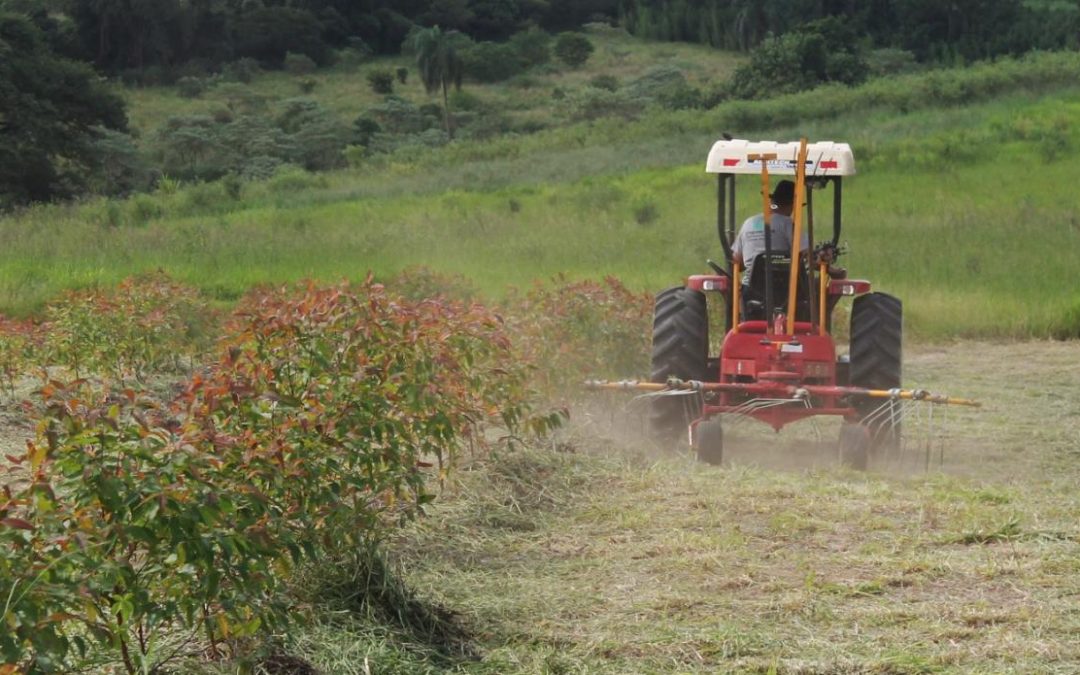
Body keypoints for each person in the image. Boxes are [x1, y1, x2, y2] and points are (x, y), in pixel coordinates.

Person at [731, 179, 809, 288]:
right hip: (783, 289)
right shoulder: (788, 224)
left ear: (772, 201)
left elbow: (737, 261)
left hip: (750, 290)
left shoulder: (749, 223)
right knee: (816, 285)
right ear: (793, 205)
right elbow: (808, 255)